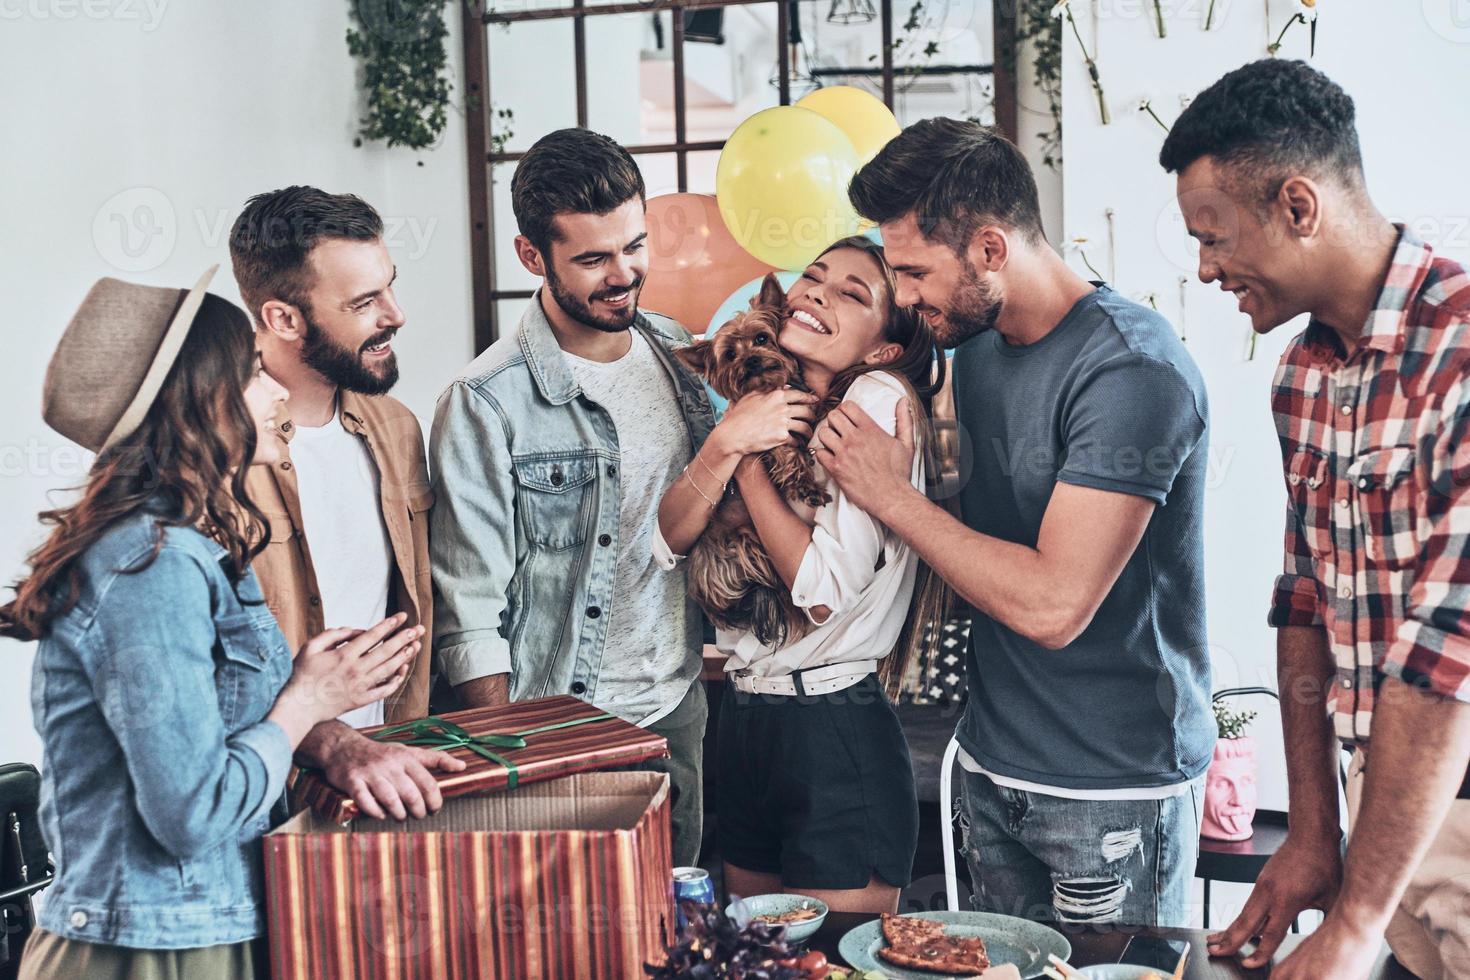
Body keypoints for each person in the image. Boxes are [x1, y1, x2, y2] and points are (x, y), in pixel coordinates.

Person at [818, 119, 1214, 927]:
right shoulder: (981, 351)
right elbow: (982, 534)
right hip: (992, 762)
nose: (904, 297)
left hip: (1111, 789)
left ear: (991, 250)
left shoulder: (1131, 370)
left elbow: (1052, 606)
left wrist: (892, 496)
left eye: (915, 272)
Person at [1, 270, 423, 979]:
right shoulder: (148, 566)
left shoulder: (181, 547)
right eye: (256, 372)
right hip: (151, 949)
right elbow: (191, 813)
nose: (278, 391)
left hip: (194, 931)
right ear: (202, 401)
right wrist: (306, 703)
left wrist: (317, 689)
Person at [1161, 59, 1470, 980]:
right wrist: (1311, 835)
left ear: (1298, 205)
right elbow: (1303, 602)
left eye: (1212, 238)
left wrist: (1354, 921)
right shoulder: (1302, 375)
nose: (1207, 269)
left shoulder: (1459, 349)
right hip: (1385, 808)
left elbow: (1448, 650)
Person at [429, 128, 716, 866]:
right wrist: (516, 769)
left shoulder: (675, 351)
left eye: (634, 246)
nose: (623, 274)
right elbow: (469, 612)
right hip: (559, 726)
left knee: (673, 933)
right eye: (592, 259)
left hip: (675, 709)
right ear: (533, 257)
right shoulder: (484, 402)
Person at [657, 235, 947, 914]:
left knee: (833, 962)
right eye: (813, 277)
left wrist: (747, 456)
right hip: (746, 717)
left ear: (882, 348)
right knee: (759, 959)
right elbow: (665, 541)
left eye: (852, 292)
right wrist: (733, 434)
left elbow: (818, 593)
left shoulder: (875, 396)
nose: (816, 291)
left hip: (832, 729)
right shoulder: (766, 404)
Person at [229, 186, 462, 823]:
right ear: (283, 319)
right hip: (265, 799)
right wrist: (330, 743)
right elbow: (201, 669)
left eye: (389, 286)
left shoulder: (397, 427)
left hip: (390, 776)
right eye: (364, 302)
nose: (396, 314)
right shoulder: (211, 454)